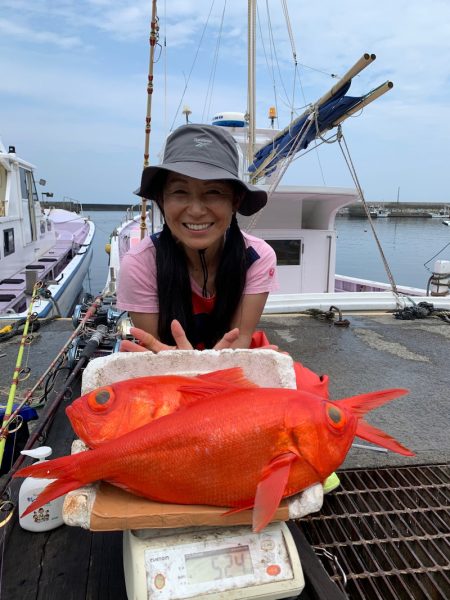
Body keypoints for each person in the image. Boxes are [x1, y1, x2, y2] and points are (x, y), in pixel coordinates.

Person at [117, 124, 279, 352]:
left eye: (213, 192)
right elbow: (156, 348)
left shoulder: (256, 257)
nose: (195, 210)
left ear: (236, 201)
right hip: (168, 368)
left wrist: (204, 366)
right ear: (162, 200)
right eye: (180, 192)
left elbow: (239, 341)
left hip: (230, 361)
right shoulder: (140, 264)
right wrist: (188, 364)